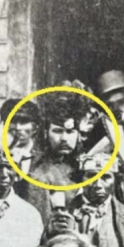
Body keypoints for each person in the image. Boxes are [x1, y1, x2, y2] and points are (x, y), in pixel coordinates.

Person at [26, 91, 87, 225]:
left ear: (79, 134)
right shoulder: (39, 176)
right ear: (46, 133)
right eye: (57, 131)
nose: (64, 138)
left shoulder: (84, 168)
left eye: (70, 132)